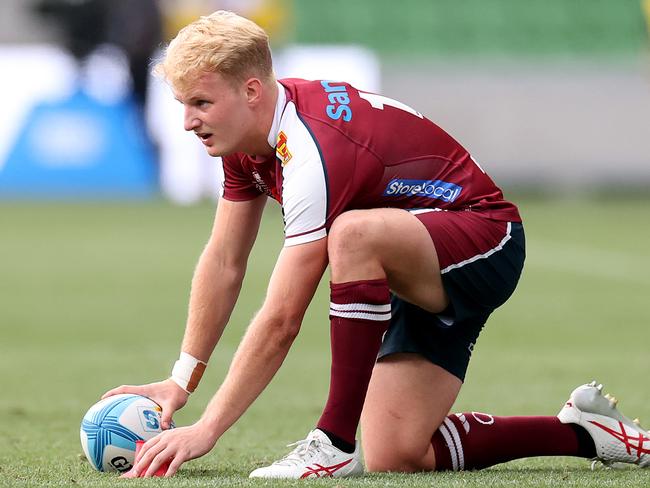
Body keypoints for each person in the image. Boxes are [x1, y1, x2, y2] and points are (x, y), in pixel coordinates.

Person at [102, 11, 650, 479]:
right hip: (409, 259)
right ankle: (584, 433)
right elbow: (224, 262)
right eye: (181, 103)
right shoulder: (247, 139)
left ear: (250, 91)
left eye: (199, 102)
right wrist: (180, 383)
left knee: (353, 233)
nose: (186, 122)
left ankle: (332, 444)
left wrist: (208, 429)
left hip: (481, 239)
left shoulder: (311, 149)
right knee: (397, 453)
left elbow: (282, 318)